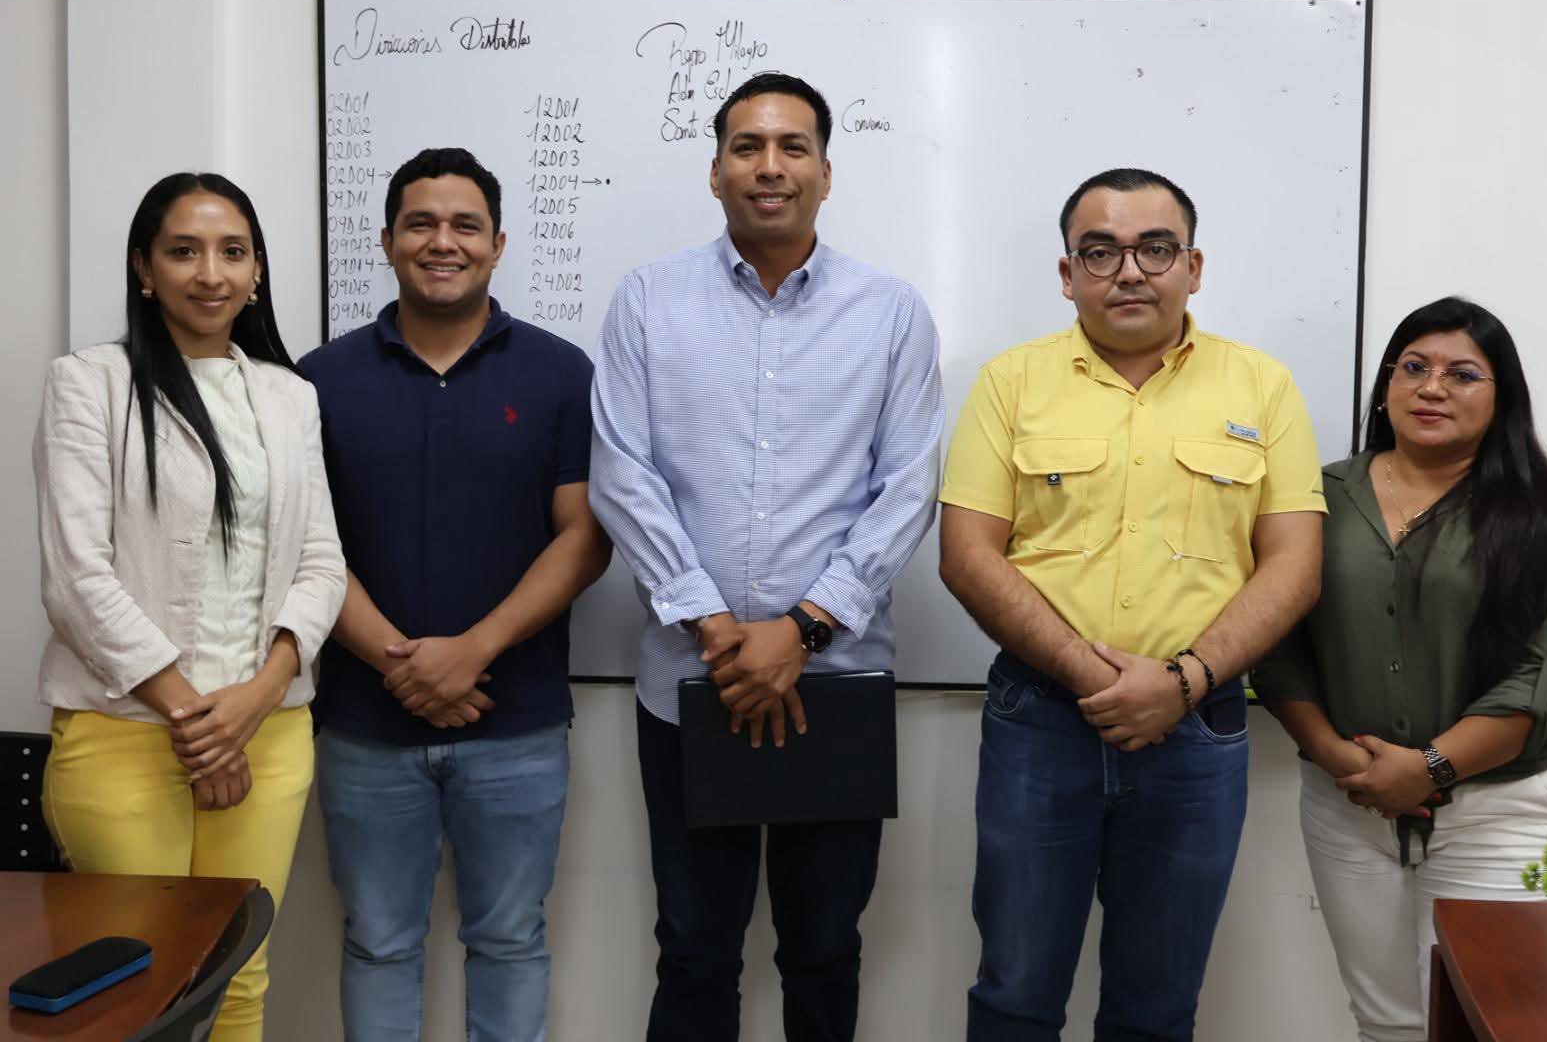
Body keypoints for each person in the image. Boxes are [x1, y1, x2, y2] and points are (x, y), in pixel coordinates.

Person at [589, 71, 944, 1042]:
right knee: (693, 947)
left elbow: (907, 489)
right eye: (747, 146)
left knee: (824, 948)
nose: (770, 166)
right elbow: (623, 475)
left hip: (835, 686)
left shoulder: (890, 312)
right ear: (716, 172)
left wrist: (802, 629)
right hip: (689, 686)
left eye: (793, 147)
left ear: (826, 171)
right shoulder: (649, 301)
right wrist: (717, 629)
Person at [938, 167, 1327, 1041]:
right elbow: (966, 555)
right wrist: (1095, 677)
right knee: (1014, 993)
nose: (1129, 271)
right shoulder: (1010, 383)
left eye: (1155, 249)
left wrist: (1181, 683)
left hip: (1198, 732)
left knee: (1157, 1007)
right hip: (1042, 722)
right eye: (1100, 251)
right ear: (1067, 273)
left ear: (1194, 266)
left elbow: (1296, 568)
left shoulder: (1262, 387)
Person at [300, 146, 610, 1042]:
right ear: (387, 241)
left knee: (509, 940)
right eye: (422, 224)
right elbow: (305, 544)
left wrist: (471, 652)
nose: (444, 242)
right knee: (377, 943)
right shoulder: (318, 380)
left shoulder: (560, 373)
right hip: (364, 725)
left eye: (466, 225)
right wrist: (402, 664)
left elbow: (584, 537)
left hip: (516, 725)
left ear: (498, 244)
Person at [34, 173, 345, 1042]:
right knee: (135, 990)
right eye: (183, 251)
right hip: (125, 733)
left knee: (236, 980)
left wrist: (255, 699)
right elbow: (75, 576)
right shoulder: (88, 383)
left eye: (232, 252)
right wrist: (197, 722)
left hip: (270, 731)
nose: (211, 273)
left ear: (256, 271)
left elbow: (321, 561)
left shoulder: (290, 396)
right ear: (144, 268)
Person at [1253, 296, 1547, 1042]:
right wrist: (1336, 756)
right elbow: (1278, 648)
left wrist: (1429, 768)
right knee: (1386, 1023)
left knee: (1508, 1022)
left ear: (1502, 397)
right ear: (1386, 386)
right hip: (1347, 803)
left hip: (1503, 811)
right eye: (1414, 367)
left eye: (1462, 374)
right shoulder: (1314, 498)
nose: (1432, 387)